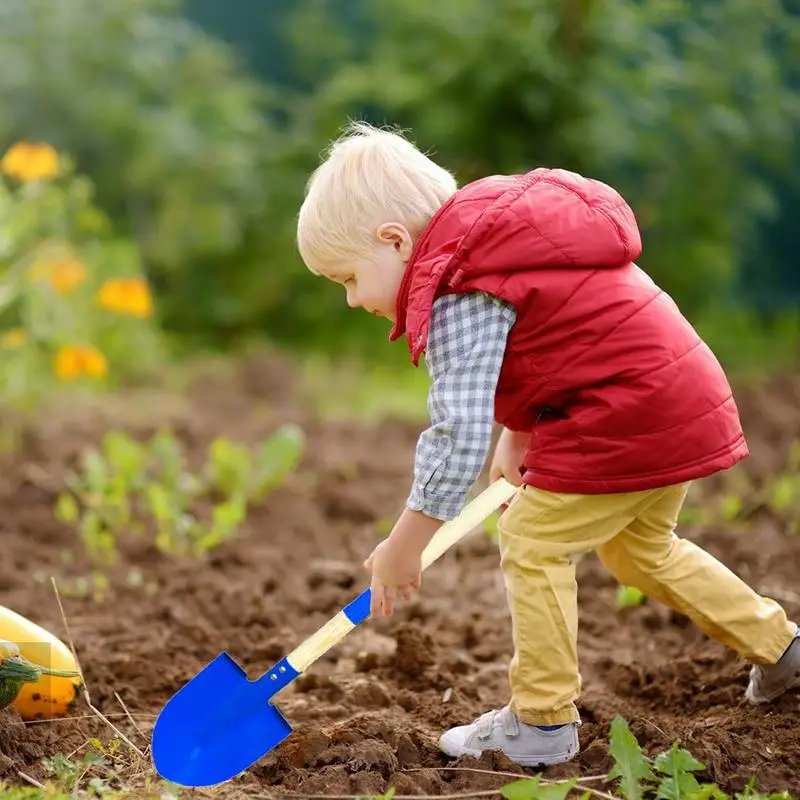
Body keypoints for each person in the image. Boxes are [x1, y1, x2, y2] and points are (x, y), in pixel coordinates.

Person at [295, 122, 799, 767]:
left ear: (394, 241)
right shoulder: (502, 243)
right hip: (672, 396)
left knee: (533, 542)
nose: (349, 300)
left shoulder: (459, 290)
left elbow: (456, 431)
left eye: (347, 278)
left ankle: (540, 721)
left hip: (623, 411)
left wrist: (406, 542)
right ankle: (782, 648)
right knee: (642, 550)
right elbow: (562, 335)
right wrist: (521, 431)